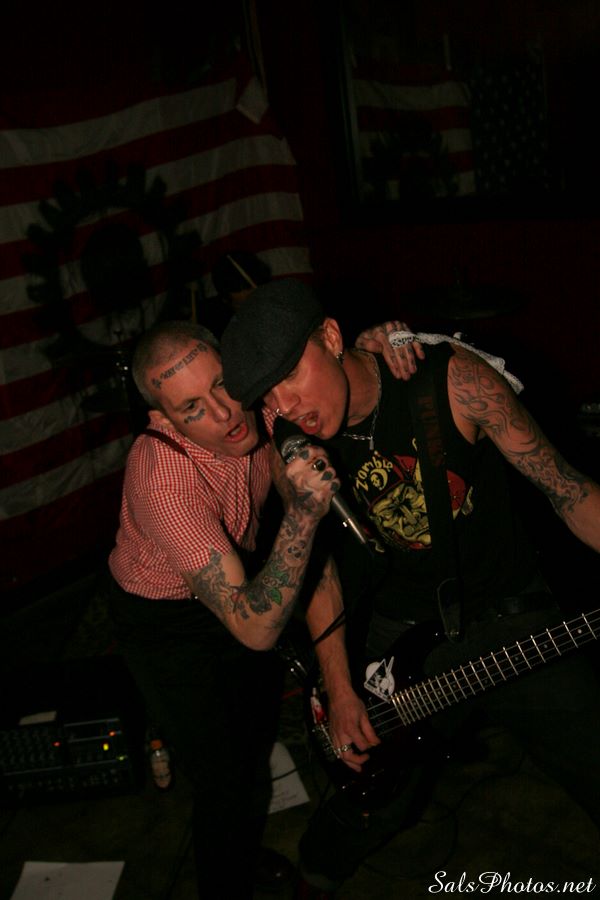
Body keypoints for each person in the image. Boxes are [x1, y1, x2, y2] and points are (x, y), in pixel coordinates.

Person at [220, 277, 600, 896]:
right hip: (400, 635)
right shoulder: (289, 448)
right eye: (268, 395)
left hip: (511, 616)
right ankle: (314, 873)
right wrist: (340, 689)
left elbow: (569, 491)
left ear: (332, 337)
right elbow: (320, 573)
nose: (286, 405)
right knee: (371, 789)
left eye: (290, 374)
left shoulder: (453, 382)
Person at [107, 315, 420, 899]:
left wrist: (382, 342)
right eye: (193, 408)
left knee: (253, 743)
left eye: (222, 384)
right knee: (223, 780)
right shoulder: (160, 479)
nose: (226, 413)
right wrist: (301, 515)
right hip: (167, 622)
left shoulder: (257, 400)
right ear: (163, 420)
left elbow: (330, 368)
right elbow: (254, 630)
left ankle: (243, 851)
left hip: (241, 580)